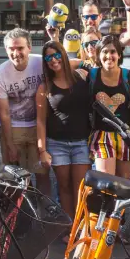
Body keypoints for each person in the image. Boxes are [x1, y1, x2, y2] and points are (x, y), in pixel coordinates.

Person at [36, 41, 92, 215]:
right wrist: (42, 150)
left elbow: (89, 61)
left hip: (81, 142)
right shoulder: (44, 87)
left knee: (81, 187)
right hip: (56, 144)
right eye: (49, 57)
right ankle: (68, 226)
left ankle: (80, 227)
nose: (54, 60)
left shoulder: (82, 77)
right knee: (64, 186)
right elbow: (40, 121)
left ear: (64, 55)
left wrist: (79, 63)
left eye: (57, 55)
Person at [0, 28, 48, 195]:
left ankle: (44, 212)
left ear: (29, 47)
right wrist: (10, 144)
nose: (16, 53)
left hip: (37, 127)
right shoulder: (0, 74)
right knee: (15, 176)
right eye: (11, 49)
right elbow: (4, 114)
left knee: (42, 174)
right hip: (13, 128)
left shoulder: (41, 63)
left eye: (20, 48)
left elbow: (65, 63)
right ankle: (19, 215)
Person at [89, 35, 130, 179]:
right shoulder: (92, 75)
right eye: (105, 52)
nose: (109, 56)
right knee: (107, 182)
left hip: (125, 135)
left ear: (119, 55)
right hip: (102, 135)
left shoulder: (129, 77)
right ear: (99, 55)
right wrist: (81, 65)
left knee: (124, 184)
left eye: (113, 52)